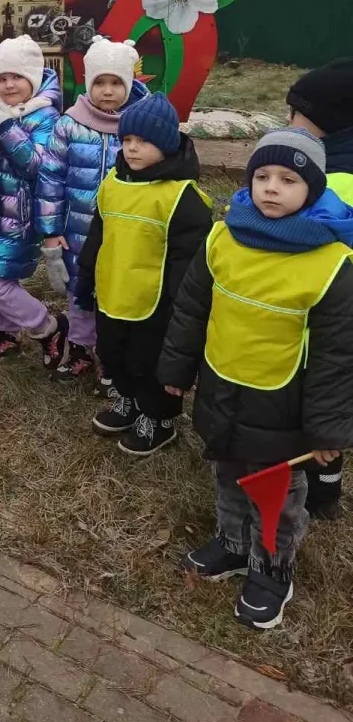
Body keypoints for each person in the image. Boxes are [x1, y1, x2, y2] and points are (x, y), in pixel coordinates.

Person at [159, 129, 353, 630]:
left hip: (282, 404)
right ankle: (233, 542)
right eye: (262, 176)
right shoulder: (223, 237)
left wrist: (328, 430)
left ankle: (271, 568)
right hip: (222, 387)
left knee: (273, 492)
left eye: (288, 179)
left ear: (313, 188)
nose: (271, 187)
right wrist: (177, 368)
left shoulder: (331, 264)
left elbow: (336, 355)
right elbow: (192, 308)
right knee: (227, 471)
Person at [75, 93, 211, 455]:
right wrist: (85, 276)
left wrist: (178, 304)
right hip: (113, 289)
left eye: (144, 141)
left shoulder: (181, 197)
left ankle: (158, 418)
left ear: (166, 145)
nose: (132, 148)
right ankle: (128, 399)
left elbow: (188, 258)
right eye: (127, 140)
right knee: (113, 350)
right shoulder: (113, 182)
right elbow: (98, 233)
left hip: (156, 301)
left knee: (149, 361)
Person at [42, 37, 147, 386]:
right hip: (78, 231)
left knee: (115, 294)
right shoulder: (70, 124)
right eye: (100, 82)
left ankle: (110, 356)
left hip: (123, 232)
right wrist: (51, 231)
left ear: (128, 83)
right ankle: (80, 349)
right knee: (79, 292)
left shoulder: (139, 127)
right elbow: (51, 178)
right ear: (88, 83)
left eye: (116, 82)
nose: (107, 91)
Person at [285, 58, 353, 519]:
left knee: (318, 397)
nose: (288, 120)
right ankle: (326, 485)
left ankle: (319, 488)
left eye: (296, 113)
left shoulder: (332, 183)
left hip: (319, 312)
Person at [0, 34, 66, 361]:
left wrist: (3, 128)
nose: (9, 85)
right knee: (2, 271)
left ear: (34, 79)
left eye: (17, 77)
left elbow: (36, 166)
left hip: (23, 215)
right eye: (2, 78)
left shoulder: (47, 116)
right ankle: (7, 334)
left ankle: (47, 326)